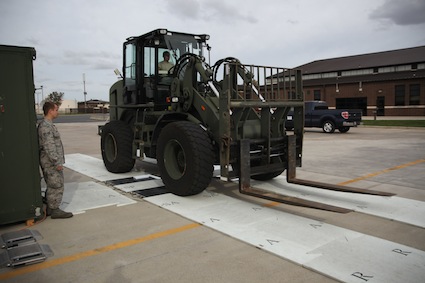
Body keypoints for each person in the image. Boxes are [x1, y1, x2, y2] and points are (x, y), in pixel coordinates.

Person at [38, 101, 73, 219]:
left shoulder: (48, 125)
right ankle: (54, 210)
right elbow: (49, 147)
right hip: (50, 162)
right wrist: (56, 162)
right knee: (56, 185)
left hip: (50, 161)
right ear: (50, 111)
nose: (57, 112)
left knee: (53, 184)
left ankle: (50, 208)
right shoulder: (46, 127)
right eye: (56, 110)